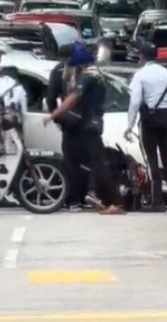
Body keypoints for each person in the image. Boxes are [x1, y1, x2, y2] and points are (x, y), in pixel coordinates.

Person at [48, 41, 123, 215]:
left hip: (71, 124)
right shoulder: (90, 72)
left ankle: (75, 200)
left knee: (72, 162)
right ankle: (98, 196)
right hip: (89, 122)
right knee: (96, 161)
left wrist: (57, 117)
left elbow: (52, 97)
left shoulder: (62, 71)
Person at [124, 41, 167, 212]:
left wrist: (130, 125)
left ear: (142, 56)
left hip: (149, 120)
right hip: (166, 118)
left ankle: (157, 201)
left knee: (151, 160)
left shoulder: (140, 75)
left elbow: (135, 102)